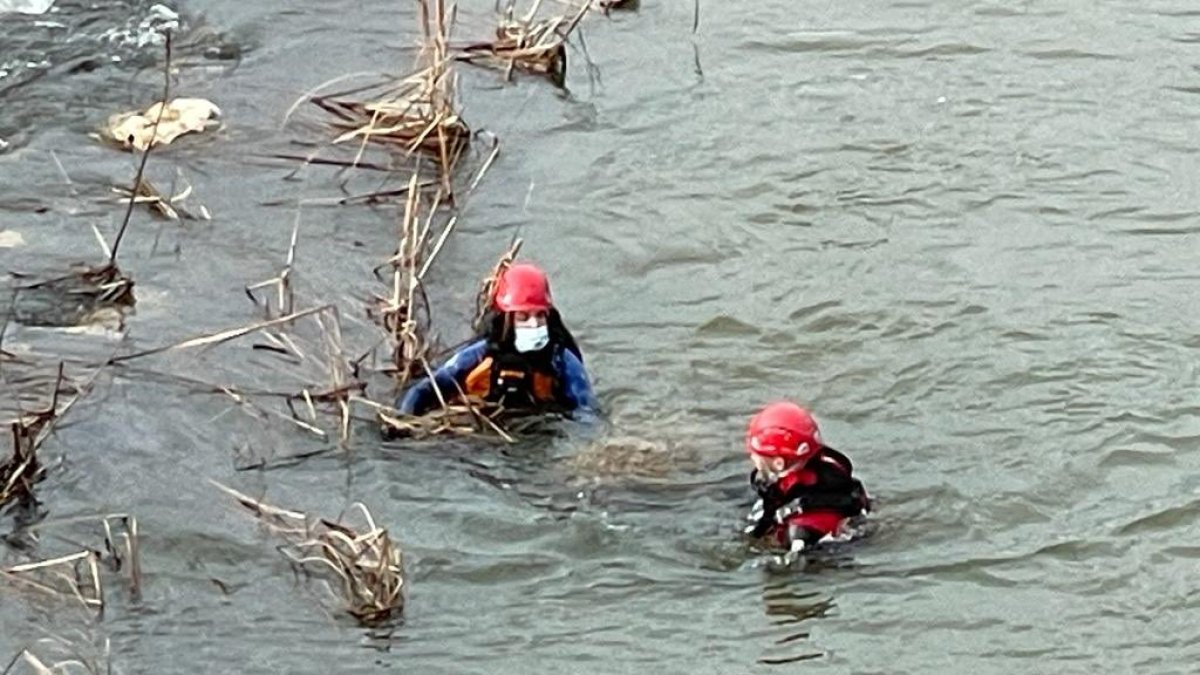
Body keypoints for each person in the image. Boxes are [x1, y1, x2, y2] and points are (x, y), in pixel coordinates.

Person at [395, 262, 598, 420]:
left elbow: (586, 410)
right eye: (523, 317)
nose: (534, 324)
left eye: (540, 315)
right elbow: (425, 388)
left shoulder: (561, 361)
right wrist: (404, 418)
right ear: (507, 319)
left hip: (541, 431)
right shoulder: (480, 354)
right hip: (484, 433)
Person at [743, 401, 870, 555]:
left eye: (756, 454)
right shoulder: (832, 477)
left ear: (778, 463)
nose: (752, 457)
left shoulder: (798, 533)